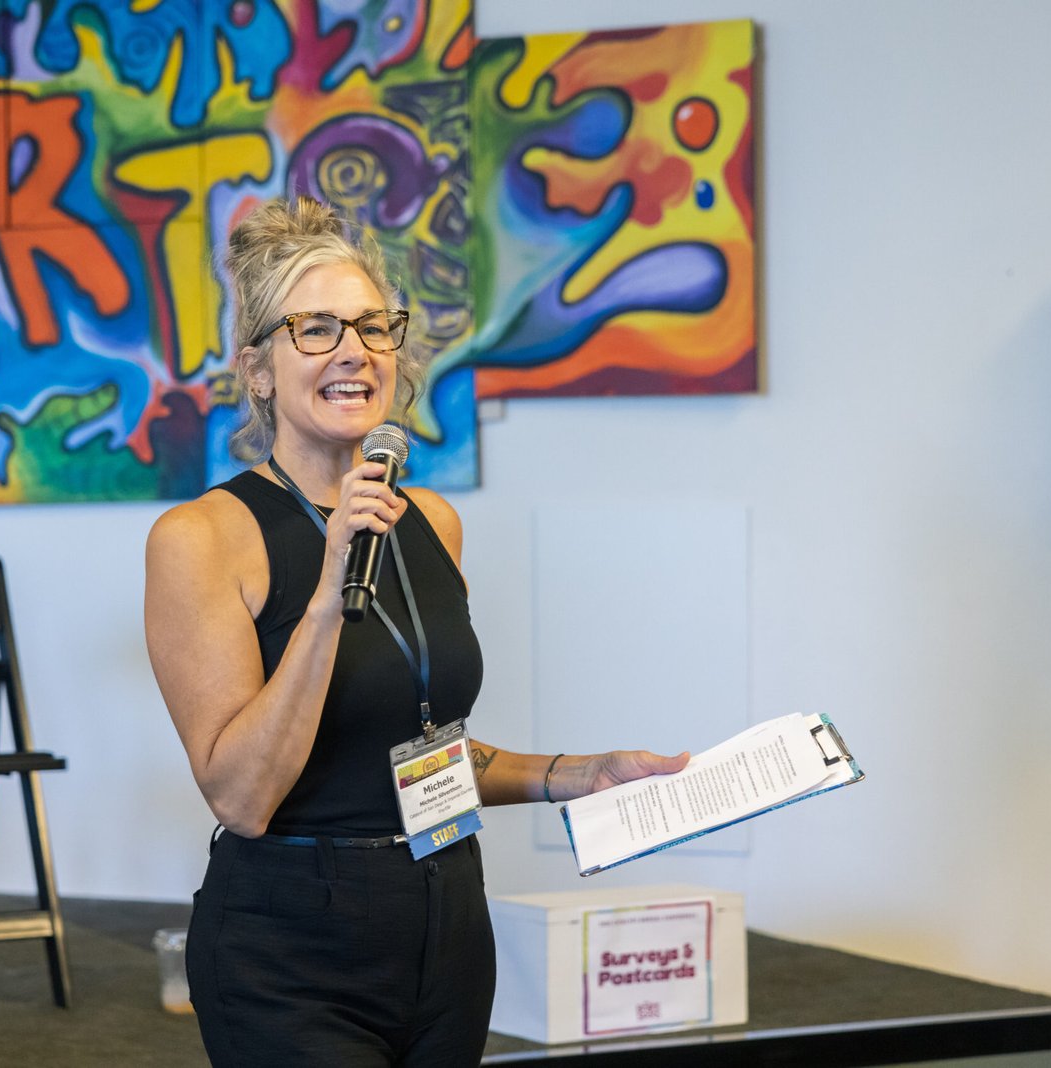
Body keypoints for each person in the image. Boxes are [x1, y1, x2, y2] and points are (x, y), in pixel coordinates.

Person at [143, 196, 687, 1066]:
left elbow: (414, 759)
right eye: (315, 329)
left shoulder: (431, 520)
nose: (354, 350)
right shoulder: (202, 539)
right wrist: (327, 592)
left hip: (445, 927)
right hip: (291, 948)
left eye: (371, 326)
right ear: (256, 368)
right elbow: (240, 798)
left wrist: (576, 775)